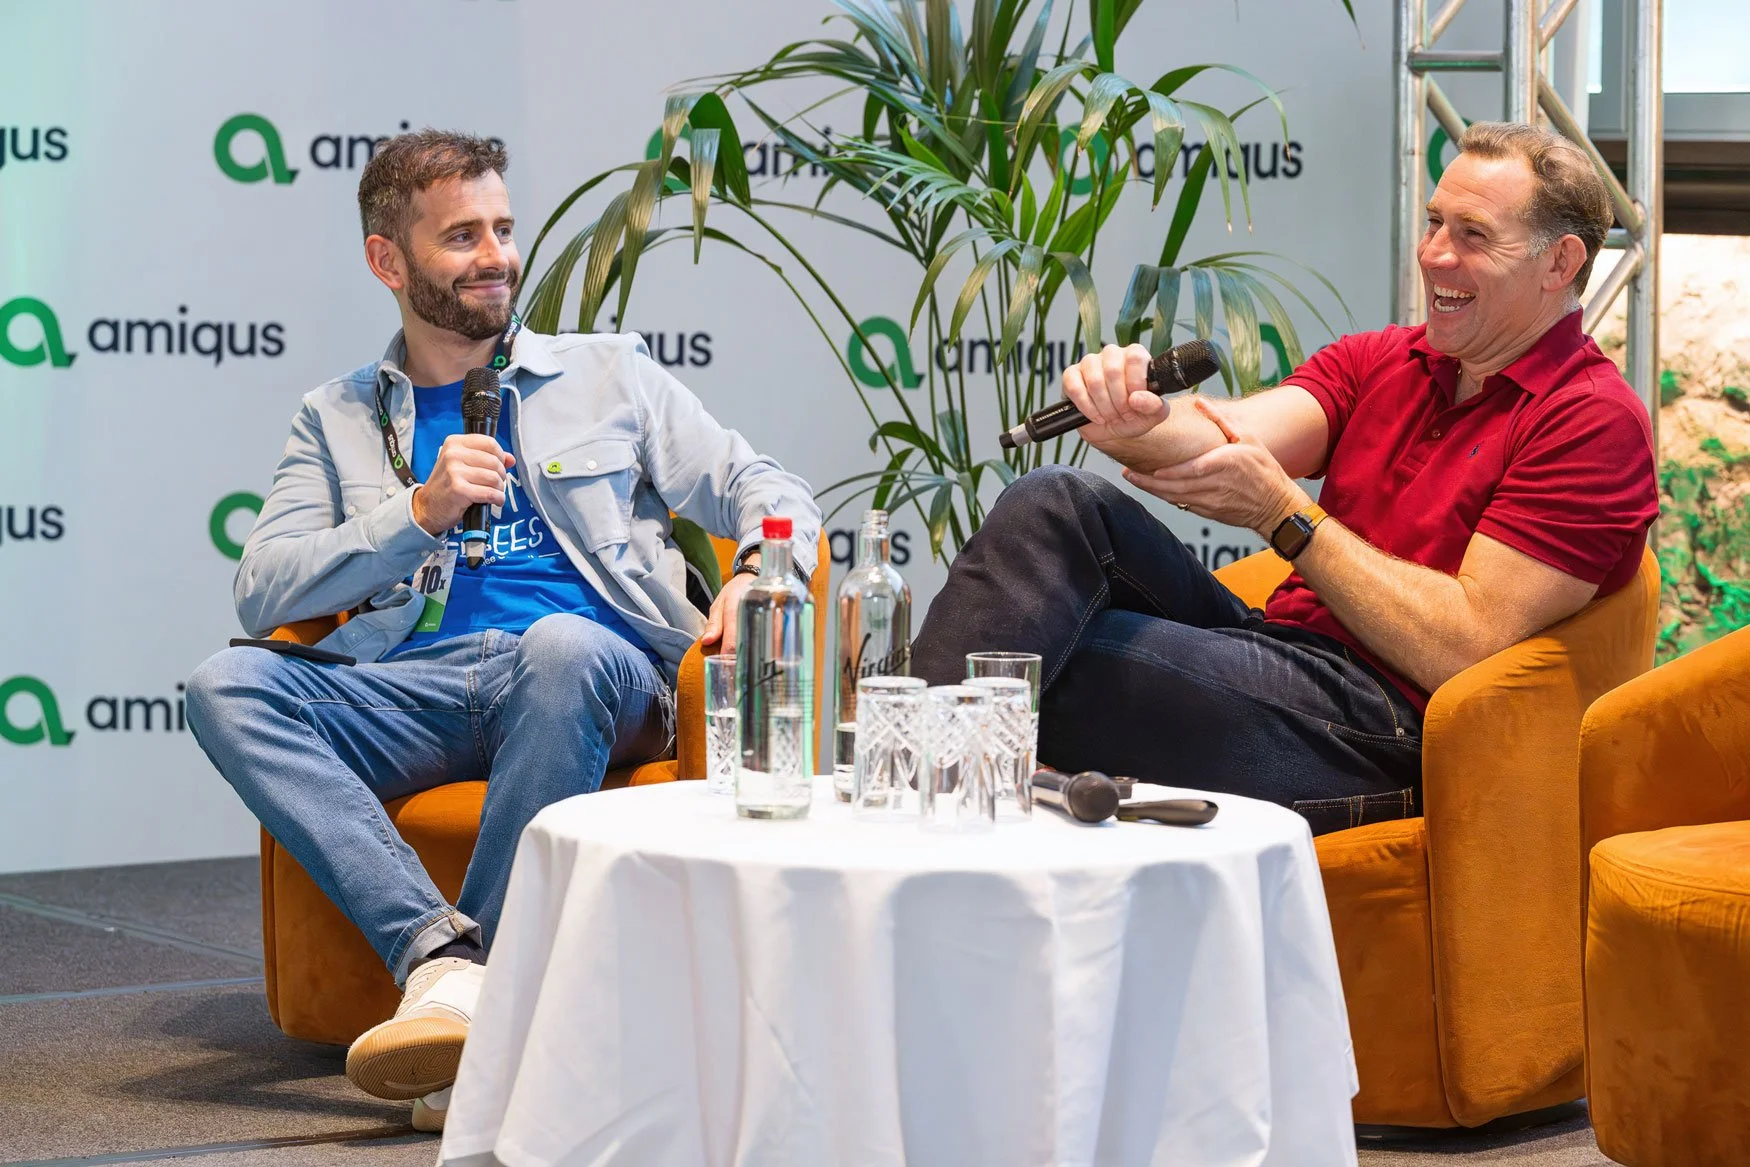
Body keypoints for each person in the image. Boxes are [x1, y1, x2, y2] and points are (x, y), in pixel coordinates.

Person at [184, 130, 819, 1129]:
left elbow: (765, 486)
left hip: (596, 673)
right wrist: (416, 516)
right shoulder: (338, 416)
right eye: (461, 237)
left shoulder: (611, 374)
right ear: (387, 261)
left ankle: (464, 1004)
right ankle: (446, 962)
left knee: (557, 648)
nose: (495, 255)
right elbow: (264, 589)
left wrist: (758, 568)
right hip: (420, 687)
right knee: (226, 685)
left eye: (503, 229)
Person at [912, 121, 1658, 834]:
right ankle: (915, 790)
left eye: (1473, 236)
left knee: (1060, 658)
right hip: (1277, 657)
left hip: (1384, 727)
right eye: (1434, 222)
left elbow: (1465, 644)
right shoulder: (1385, 359)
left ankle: (911, 802)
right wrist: (1131, 418)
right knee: (1055, 502)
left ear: (1559, 263)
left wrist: (1285, 516)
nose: (1434, 254)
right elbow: (1224, 436)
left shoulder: (1592, 421)